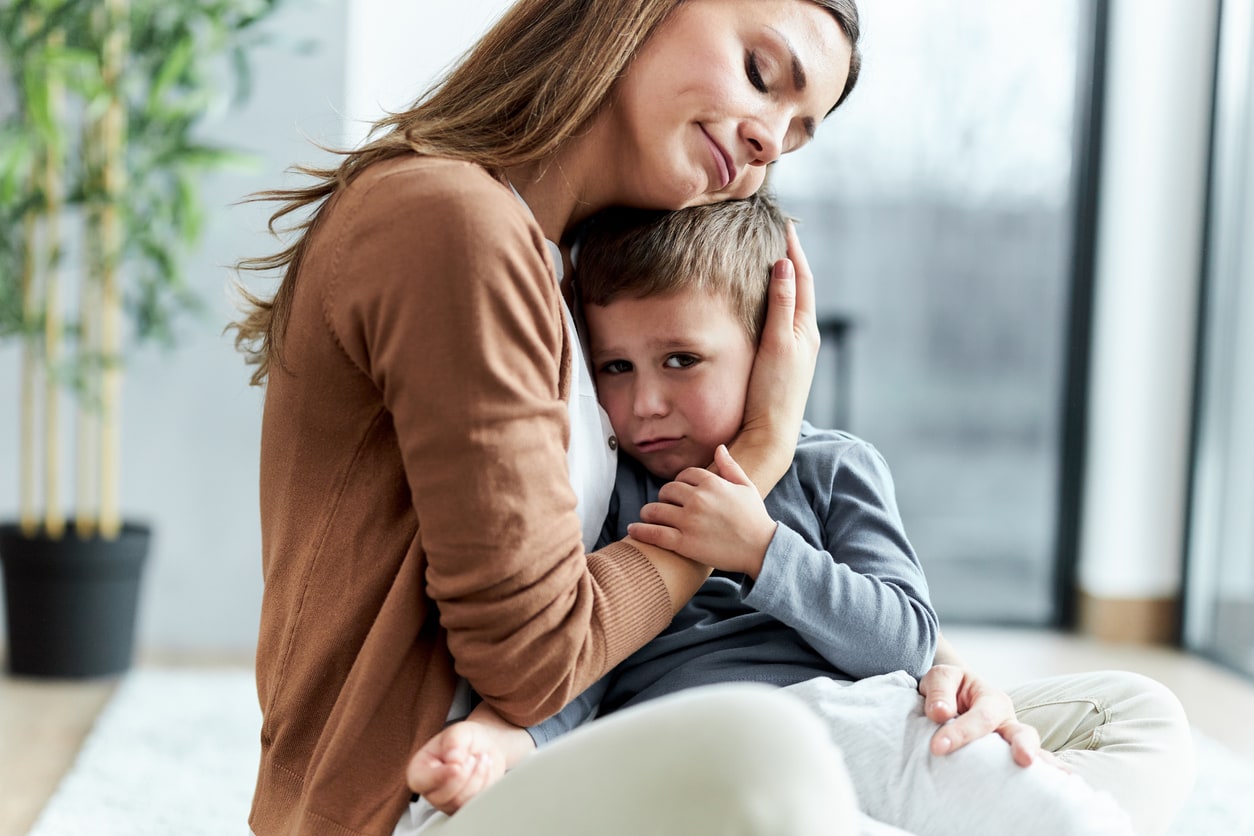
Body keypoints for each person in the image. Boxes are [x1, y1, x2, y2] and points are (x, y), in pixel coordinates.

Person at [230, 1, 1192, 834]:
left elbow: (879, 622)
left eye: (800, 127)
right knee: (766, 745)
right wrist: (763, 452)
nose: (773, 135)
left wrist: (932, 673)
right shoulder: (454, 223)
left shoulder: (559, 264)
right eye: (763, 73)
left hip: (699, 730)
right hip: (422, 803)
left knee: (1123, 713)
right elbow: (532, 668)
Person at [407, 192, 1138, 835]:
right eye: (616, 368)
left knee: (1067, 806)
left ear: (767, 351)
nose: (645, 404)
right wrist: (502, 740)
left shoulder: (833, 467)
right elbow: (583, 663)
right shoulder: (610, 492)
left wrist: (764, 551)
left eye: (681, 361)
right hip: (698, 743)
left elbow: (906, 644)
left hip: (863, 720)